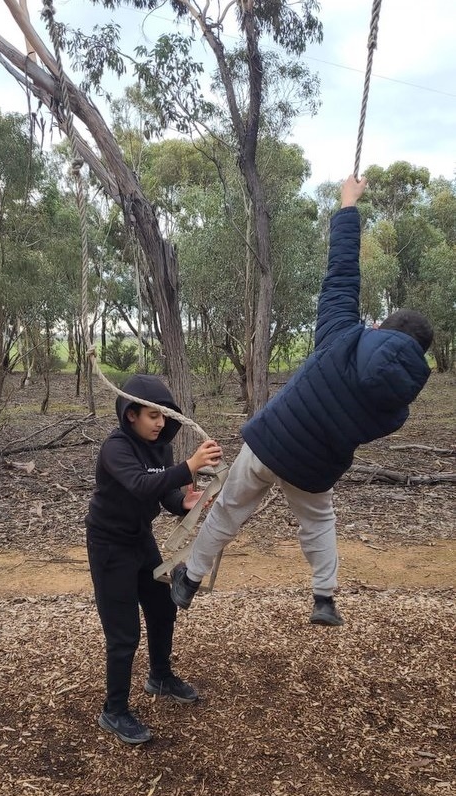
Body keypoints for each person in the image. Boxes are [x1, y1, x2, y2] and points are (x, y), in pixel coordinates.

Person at [171, 174, 433, 626]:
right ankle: (324, 600)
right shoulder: (398, 409)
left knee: (231, 507)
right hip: (315, 468)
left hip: (271, 440)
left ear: (379, 328)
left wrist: (349, 205)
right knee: (319, 522)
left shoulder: (341, 334)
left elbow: (342, 270)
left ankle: (189, 579)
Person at [86, 374, 222, 744]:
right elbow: (141, 484)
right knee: (123, 633)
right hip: (109, 545)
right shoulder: (116, 448)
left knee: (163, 608)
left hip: (140, 539)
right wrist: (191, 466)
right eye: (153, 415)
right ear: (131, 414)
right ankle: (113, 711)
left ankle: (159, 676)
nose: (161, 423)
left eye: (165, 416)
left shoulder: (159, 446)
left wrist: (184, 503)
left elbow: (162, 494)